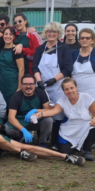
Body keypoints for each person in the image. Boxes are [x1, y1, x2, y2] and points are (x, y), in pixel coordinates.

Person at [32, 78, 95, 161]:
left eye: (72, 88)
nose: (70, 91)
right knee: (65, 151)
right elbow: (54, 111)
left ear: (76, 87)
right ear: (63, 91)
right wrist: (41, 114)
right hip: (70, 127)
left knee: (93, 127)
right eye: (66, 89)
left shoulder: (86, 97)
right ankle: (79, 144)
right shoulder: (62, 100)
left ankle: (87, 150)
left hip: (85, 125)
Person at [33, 22, 73, 150]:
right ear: (45, 33)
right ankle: (41, 139)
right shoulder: (40, 49)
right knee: (42, 112)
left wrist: (54, 80)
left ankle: (55, 141)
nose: (51, 34)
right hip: (42, 86)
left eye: (54, 32)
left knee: (57, 114)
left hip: (57, 86)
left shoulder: (63, 48)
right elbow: (35, 67)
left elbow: (67, 68)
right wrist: (39, 82)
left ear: (58, 34)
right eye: (49, 31)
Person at [5, 74, 53, 147]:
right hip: (22, 120)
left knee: (48, 120)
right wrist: (23, 130)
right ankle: (21, 136)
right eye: (25, 84)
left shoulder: (41, 92)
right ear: (21, 85)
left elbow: (48, 110)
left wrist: (36, 111)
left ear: (35, 84)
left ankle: (42, 142)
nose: (28, 86)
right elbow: (11, 117)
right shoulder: (16, 96)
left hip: (37, 119)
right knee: (8, 128)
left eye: (31, 84)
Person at [72, 28, 95, 119]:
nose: (84, 40)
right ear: (79, 40)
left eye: (87, 38)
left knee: (94, 115)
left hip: (93, 88)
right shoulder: (74, 53)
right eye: (82, 38)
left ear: (92, 40)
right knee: (78, 115)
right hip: (77, 88)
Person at [0, 27, 25, 106]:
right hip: (2, 81)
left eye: (10, 34)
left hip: (13, 82)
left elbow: (21, 69)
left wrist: (20, 87)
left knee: (13, 104)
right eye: (6, 34)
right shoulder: (0, 49)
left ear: (13, 37)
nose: (8, 36)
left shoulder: (16, 51)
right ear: (3, 36)